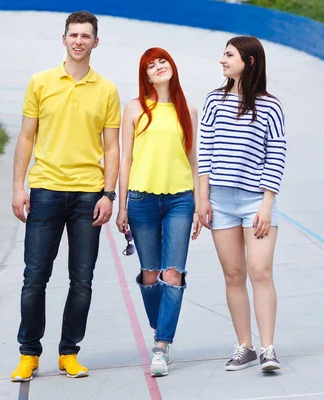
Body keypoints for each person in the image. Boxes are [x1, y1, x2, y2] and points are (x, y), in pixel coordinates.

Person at [10, 10, 121, 382]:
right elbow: (26, 137)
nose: (79, 41)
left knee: (82, 279)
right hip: (45, 190)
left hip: (88, 195)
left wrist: (109, 193)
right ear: (64, 39)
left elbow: (112, 147)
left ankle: (69, 352)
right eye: (73, 34)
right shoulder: (40, 83)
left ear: (95, 42)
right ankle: (29, 353)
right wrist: (18, 187)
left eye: (85, 36)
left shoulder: (106, 89)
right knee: (34, 277)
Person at [197, 36, 287, 372]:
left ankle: (268, 348)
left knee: (260, 272)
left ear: (249, 61)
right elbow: (204, 153)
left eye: (229, 55)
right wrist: (202, 200)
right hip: (220, 203)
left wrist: (266, 204)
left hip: (256, 203)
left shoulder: (270, 106)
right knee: (233, 275)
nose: (222, 60)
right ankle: (244, 346)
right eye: (223, 53)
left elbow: (276, 155)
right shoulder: (214, 100)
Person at [116, 47, 201, 377]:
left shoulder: (187, 109)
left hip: (180, 199)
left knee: (172, 274)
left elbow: (194, 161)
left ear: (172, 66)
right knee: (151, 274)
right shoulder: (134, 109)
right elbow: (126, 159)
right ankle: (160, 322)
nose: (159, 67)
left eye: (162, 61)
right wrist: (122, 204)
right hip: (141, 200)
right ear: (145, 76)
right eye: (151, 66)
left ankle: (161, 347)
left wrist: (198, 204)